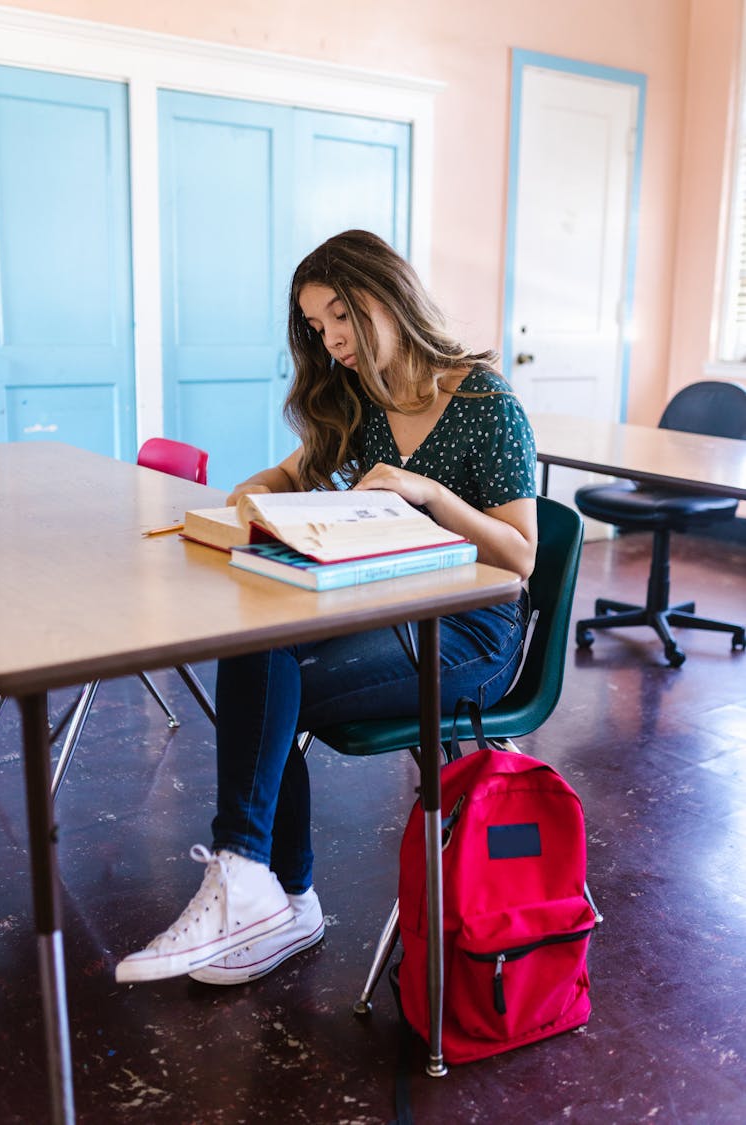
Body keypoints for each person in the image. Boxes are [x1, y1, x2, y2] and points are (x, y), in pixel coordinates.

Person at [116, 229, 538, 986]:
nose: (332, 339)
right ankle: (269, 889)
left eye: (340, 315)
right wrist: (249, 498)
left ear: (389, 294)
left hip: (473, 632)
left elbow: (521, 554)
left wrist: (428, 493)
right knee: (260, 646)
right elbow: (292, 469)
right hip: (393, 612)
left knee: (272, 688)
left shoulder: (485, 401)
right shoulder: (365, 398)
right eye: (317, 327)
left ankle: (268, 887)